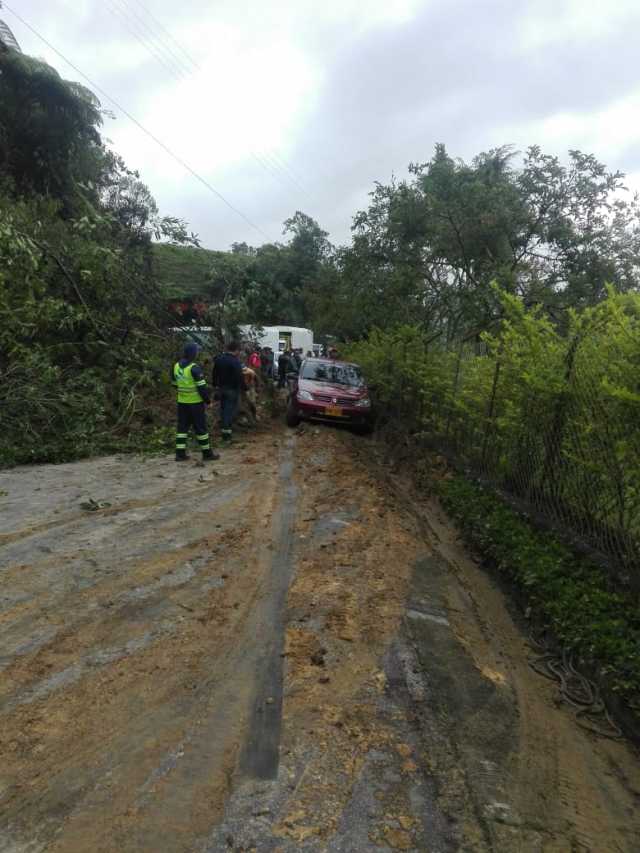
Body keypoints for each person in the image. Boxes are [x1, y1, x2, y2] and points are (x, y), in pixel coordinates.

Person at [172, 341, 219, 462]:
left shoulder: (176, 366)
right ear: (193, 353)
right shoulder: (194, 368)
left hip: (182, 403)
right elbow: (202, 388)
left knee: (182, 428)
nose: (198, 353)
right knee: (201, 428)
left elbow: (174, 384)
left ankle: (180, 454)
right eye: (197, 351)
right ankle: (207, 454)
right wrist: (208, 402)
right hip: (195, 404)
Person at [213, 341, 243, 442]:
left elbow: (214, 374)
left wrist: (216, 386)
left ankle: (225, 434)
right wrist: (244, 388)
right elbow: (239, 376)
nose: (239, 353)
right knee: (229, 412)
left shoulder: (219, 359)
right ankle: (227, 437)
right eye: (239, 351)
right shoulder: (235, 361)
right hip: (232, 390)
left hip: (221, 389)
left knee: (223, 411)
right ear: (236, 350)